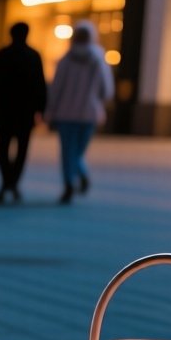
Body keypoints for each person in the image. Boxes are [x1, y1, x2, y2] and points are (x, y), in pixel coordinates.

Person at [46, 20, 113, 204]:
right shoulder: (98, 61)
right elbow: (107, 90)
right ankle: (80, 174)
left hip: (66, 113)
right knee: (78, 151)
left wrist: (50, 111)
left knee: (68, 151)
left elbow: (56, 89)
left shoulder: (66, 60)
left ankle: (69, 182)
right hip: (89, 114)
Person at [0, 22, 48, 204]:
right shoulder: (33, 56)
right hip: (25, 113)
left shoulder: (2, 55)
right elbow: (40, 86)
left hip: (3, 111)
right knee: (22, 149)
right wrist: (40, 110)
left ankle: (6, 181)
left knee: (2, 149)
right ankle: (12, 182)